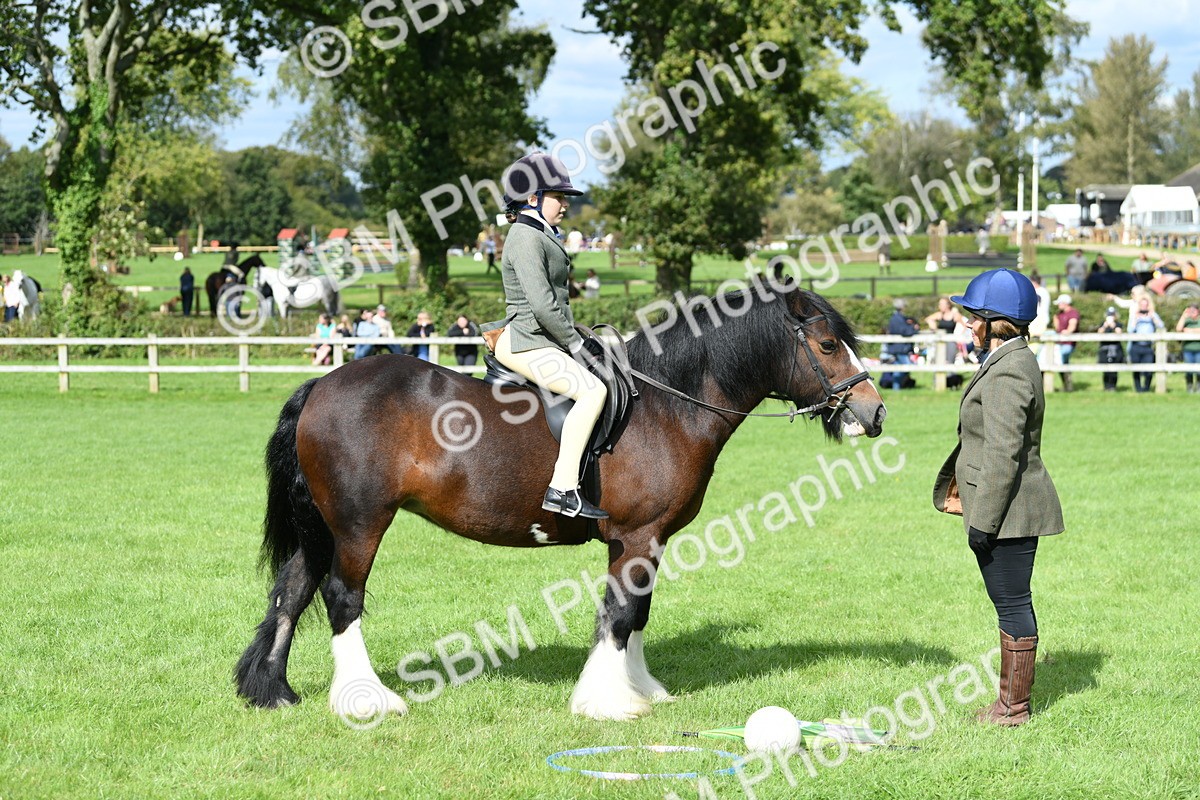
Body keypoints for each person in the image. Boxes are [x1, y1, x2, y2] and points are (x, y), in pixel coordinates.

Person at [932, 268, 1064, 727]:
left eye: (973, 317)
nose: (967, 323)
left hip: (1009, 512)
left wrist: (981, 523)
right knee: (1009, 600)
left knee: (1011, 602)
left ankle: (1013, 709)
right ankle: (1011, 704)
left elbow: (1004, 453)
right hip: (1005, 509)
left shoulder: (1009, 370)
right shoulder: (1008, 359)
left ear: (995, 321)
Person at [480, 153, 608, 519]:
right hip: (527, 339)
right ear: (533, 197)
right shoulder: (524, 236)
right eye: (559, 196)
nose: (565, 204)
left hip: (541, 337)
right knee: (593, 390)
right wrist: (577, 342)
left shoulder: (538, 233)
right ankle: (564, 488)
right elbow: (542, 305)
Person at [1128, 297, 1164, 393]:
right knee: (1136, 369)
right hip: (1136, 345)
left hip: (1148, 346)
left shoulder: (1152, 315)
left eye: (1146, 305)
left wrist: (1153, 317)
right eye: (1142, 305)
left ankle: (1146, 388)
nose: (1144, 307)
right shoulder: (1134, 316)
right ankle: (1138, 388)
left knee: (1149, 369)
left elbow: (1161, 326)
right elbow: (1130, 331)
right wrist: (1135, 320)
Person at [882, 299, 919, 390]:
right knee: (907, 366)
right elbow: (905, 332)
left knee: (898, 368)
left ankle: (896, 388)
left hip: (898, 348)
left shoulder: (897, 318)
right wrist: (914, 329)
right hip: (900, 348)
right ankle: (896, 387)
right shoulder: (897, 319)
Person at [925, 296, 964, 365]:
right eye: (939, 304)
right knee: (938, 361)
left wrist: (960, 335)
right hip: (940, 340)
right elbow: (928, 319)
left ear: (948, 305)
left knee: (950, 361)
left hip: (951, 341)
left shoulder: (954, 315)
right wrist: (933, 326)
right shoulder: (939, 315)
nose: (940, 306)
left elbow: (965, 325)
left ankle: (950, 375)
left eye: (942, 304)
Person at [1052, 295, 1079, 392]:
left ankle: (1067, 384)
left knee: (1062, 360)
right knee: (1062, 362)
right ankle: (1067, 385)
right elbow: (1057, 329)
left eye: (1059, 303)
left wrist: (1068, 331)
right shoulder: (1059, 314)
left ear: (1065, 303)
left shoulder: (1073, 313)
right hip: (1059, 342)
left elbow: (1072, 325)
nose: (1058, 305)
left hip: (1068, 343)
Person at [1097, 306, 1125, 392]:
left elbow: (1119, 332)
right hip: (1105, 350)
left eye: (1112, 315)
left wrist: (1113, 325)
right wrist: (1105, 325)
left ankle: (1113, 386)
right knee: (1105, 370)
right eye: (1109, 315)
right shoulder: (1103, 324)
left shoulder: (1118, 324)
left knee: (1114, 369)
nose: (1111, 316)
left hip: (1116, 350)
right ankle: (1106, 387)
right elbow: (1099, 332)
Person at [1178, 304, 1200, 393]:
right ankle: (1190, 388)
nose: (1192, 312)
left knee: (1199, 370)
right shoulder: (1186, 321)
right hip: (1188, 349)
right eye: (1190, 310)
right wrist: (1183, 316)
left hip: (1199, 349)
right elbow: (1179, 329)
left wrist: (1191, 331)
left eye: (1194, 310)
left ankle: (1198, 388)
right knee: (1189, 370)